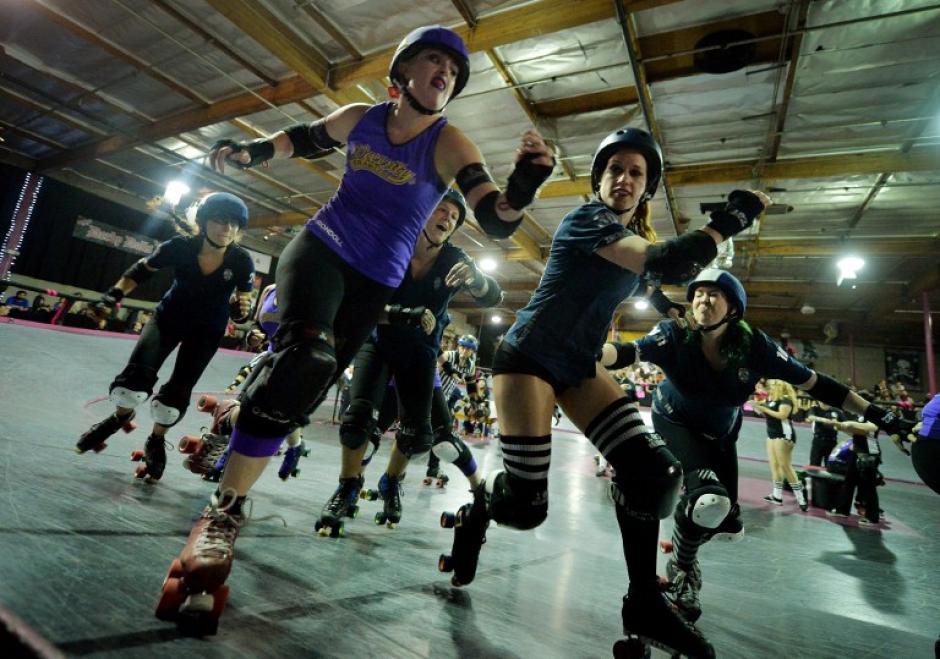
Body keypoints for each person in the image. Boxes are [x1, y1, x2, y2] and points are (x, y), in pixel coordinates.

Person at [159, 24, 554, 634]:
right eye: (432, 62)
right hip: (323, 246)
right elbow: (302, 139)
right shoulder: (362, 117)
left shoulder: (449, 142)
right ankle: (224, 511)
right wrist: (253, 152)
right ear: (403, 74)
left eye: (452, 69)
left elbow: (496, 219)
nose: (444, 73)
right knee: (308, 359)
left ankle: (238, 416)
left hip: (377, 280)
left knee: (299, 394)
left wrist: (525, 183)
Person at [439, 126, 772, 659]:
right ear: (598, 181)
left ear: (647, 187)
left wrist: (674, 315)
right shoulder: (587, 221)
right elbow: (664, 264)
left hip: (578, 364)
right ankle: (479, 509)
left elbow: (647, 284)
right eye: (614, 170)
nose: (624, 178)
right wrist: (731, 218)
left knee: (655, 473)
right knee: (526, 509)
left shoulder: (628, 235)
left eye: (636, 173)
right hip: (529, 357)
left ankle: (643, 602)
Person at [600, 268, 917, 626]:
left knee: (727, 523)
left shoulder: (755, 346)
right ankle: (683, 571)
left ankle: (684, 542)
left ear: (734, 308)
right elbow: (626, 353)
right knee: (707, 500)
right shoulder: (675, 334)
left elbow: (819, 385)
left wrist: (882, 416)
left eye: (714, 294)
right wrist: (588, 353)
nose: (704, 300)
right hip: (676, 421)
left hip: (721, 432)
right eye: (699, 294)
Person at [320, 190, 501, 534]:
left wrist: (477, 280)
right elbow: (359, 303)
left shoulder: (454, 258)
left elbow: (492, 295)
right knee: (357, 420)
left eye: (453, 217)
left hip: (419, 353)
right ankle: (347, 487)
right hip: (378, 344)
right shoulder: (393, 246)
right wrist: (405, 315)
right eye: (441, 210)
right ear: (422, 212)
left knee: (416, 435)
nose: (447, 218)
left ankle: (390, 482)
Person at [75, 192, 253, 485]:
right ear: (204, 222)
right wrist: (113, 296)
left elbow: (243, 306)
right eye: (220, 221)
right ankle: (119, 416)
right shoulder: (180, 247)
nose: (227, 230)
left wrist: (240, 313)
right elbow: (140, 271)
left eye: (234, 224)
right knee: (132, 385)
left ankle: (156, 441)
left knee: (175, 397)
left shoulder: (242, 260)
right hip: (168, 318)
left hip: (207, 329)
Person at [429, 333, 479, 480]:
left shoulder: (470, 365)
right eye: (462, 347)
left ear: (472, 351)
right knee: (424, 432)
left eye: (468, 349)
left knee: (441, 434)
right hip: (431, 395)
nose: (464, 351)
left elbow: (471, 386)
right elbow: (432, 372)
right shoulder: (449, 356)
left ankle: (433, 468)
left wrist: (475, 403)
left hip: (444, 399)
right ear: (458, 347)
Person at [753, 379, 805, 510]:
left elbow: (782, 415)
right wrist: (758, 407)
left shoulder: (786, 399)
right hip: (771, 434)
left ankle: (801, 498)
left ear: (780, 386)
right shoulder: (771, 400)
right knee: (775, 466)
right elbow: (768, 415)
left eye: (773, 385)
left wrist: (762, 407)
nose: (770, 387)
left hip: (784, 435)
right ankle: (777, 496)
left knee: (785, 466)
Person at [807, 401, 844, 467]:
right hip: (818, 441)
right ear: (818, 401)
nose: (824, 403)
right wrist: (824, 420)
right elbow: (810, 417)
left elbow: (845, 423)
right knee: (814, 464)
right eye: (822, 401)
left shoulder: (837, 411)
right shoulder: (815, 409)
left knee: (830, 465)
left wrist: (837, 424)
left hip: (832, 442)